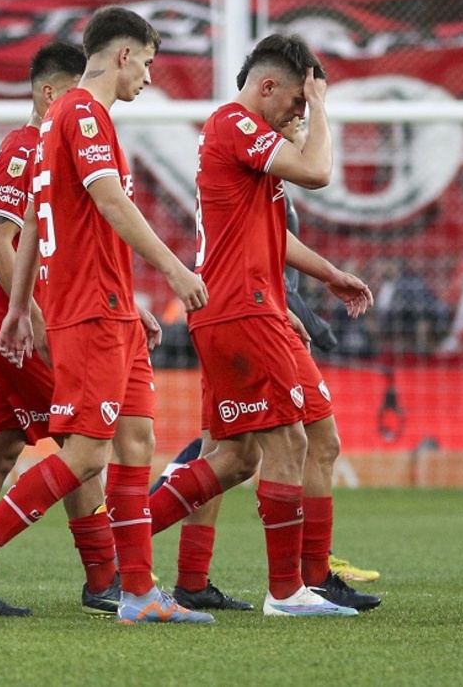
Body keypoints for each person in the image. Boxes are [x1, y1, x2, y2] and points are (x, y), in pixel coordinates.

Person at [0, 5, 212, 624]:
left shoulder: (63, 120)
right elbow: (107, 201)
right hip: (88, 312)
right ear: (123, 54)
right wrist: (172, 269)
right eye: (147, 61)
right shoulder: (83, 114)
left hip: (111, 307)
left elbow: (35, 221)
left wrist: (20, 308)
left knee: (137, 439)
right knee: (87, 454)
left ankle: (137, 593)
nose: (148, 74)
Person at [145, 33, 379, 616]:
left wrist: (329, 274)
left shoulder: (244, 141)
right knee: (289, 441)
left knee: (245, 455)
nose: (299, 113)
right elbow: (318, 171)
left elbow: (270, 234)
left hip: (254, 306)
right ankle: (287, 593)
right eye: (296, 102)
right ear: (268, 86)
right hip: (240, 308)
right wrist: (321, 107)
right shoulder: (234, 122)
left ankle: (115, 549)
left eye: (306, 107)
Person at [0, 40, 123, 618]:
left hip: (5, 323)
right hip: (21, 327)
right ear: (50, 93)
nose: (84, 108)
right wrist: (38, 322)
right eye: (74, 93)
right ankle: (103, 580)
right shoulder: (24, 150)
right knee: (84, 447)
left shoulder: (51, 150)